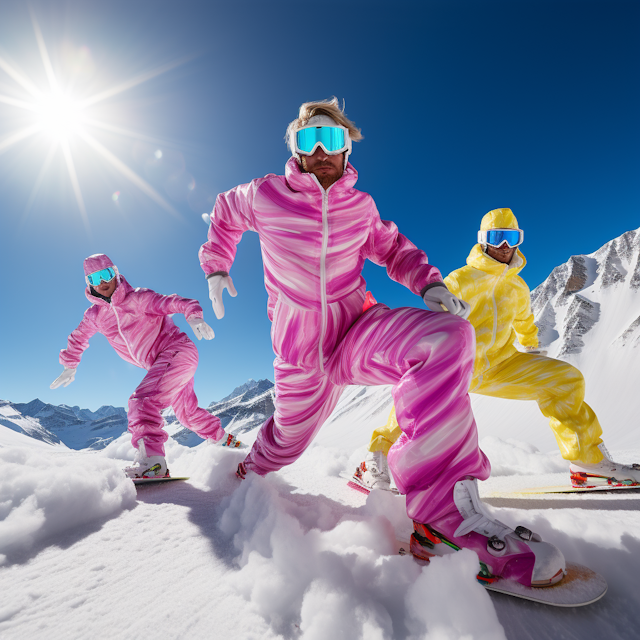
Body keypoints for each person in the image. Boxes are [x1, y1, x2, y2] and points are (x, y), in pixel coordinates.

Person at [199, 99, 565, 587]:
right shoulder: (266, 195)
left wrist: (429, 283)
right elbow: (224, 212)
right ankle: (243, 472)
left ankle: (442, 519)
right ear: (295, 149)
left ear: (348, 149)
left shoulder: (359, 207)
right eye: (310, 140)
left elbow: (393, 248)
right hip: (301, 351)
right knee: (285, 444)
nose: (322, 151)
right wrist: (217, 264)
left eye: (333, 140)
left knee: (448, 337)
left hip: (356, 330)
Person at [356, 207, 640, 492]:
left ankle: (587, 464)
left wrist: (531, 345)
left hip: (499, 366)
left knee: (566, 380)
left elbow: (524, 321)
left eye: (510, 237)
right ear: (483, 240)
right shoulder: (462, 280)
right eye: (497, 237)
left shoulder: (517, 288)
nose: (504, 246)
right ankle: (374, 458)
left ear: (519, 240)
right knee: (416, 393)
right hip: (457, 365)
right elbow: (438, 317)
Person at [50, 253, 225, 477]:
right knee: (187, 414)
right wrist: (70, 364)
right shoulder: (95, 315)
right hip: (164, 363)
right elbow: (79, 337)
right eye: (95, 279)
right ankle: (226, 443)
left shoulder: (138, 299)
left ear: (115, 273)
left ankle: (153, 464)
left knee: (142, 401)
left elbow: (173, 302)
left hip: (177, 351)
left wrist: (193, 315)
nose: (102, 282)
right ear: (89, 285)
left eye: (106, 274)